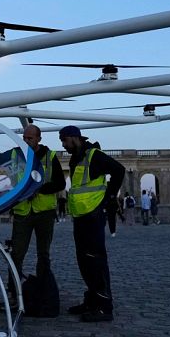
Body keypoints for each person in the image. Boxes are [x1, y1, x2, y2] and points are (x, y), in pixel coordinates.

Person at [0, 124, 66, 305]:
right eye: (25, 137)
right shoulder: (14, 154)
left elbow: (60, 183)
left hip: (44, 212)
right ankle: (15, 294)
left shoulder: (50, 157)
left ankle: (44, 292)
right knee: (16, 255)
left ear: (39, 138)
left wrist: (39, 189)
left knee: (43, 254)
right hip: (22, 213)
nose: (26, 141)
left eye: (30, 138)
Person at [59, 125, 125, 323]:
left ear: (74, 138)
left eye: (64, 140)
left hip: (93, 215)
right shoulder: (76, 157)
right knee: (84, 260)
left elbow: (119, 170)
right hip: (81, 216)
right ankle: (92, 300)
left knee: (95, 260)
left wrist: (109, 196)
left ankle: (104, 306)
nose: (63, 144)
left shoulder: (94, 155)